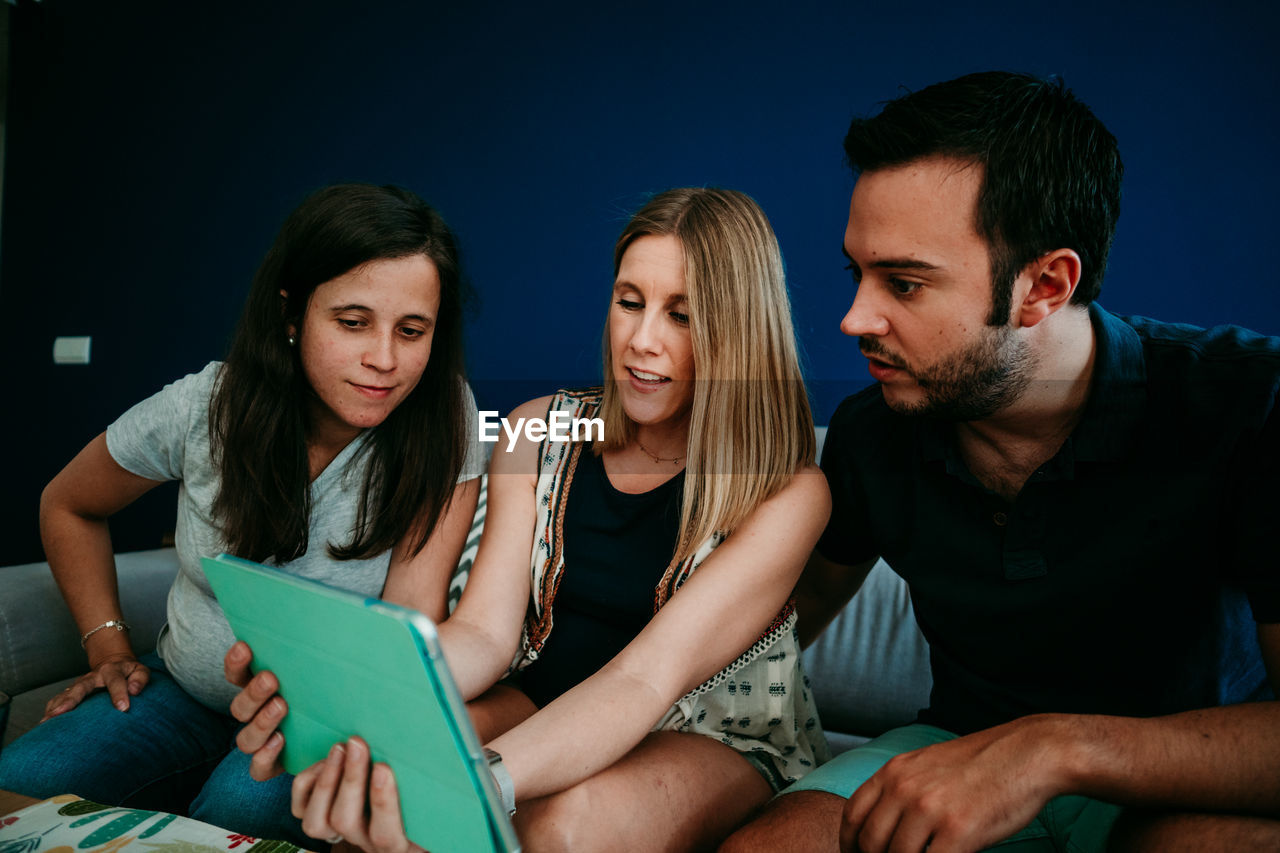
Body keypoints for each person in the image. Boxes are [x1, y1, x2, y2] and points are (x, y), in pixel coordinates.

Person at [722, 71, 1280, 853]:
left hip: (1175, 771)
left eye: (905, 283)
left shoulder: (1248, 403)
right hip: (951, 744)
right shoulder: (874, 432)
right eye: (859, 273)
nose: (853, 319)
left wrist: (1049, 748)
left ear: (1044, 285)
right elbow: (766, 623)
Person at [228, 186, 832, 851]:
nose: (642, 340)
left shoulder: (788, 489)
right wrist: (342, 694)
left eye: (682, 315)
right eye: (629, 302)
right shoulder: (539, 430)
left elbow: (647, 677)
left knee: (557, 829)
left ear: (737, 329)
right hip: (540, 699)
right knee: (388, 780)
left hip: (703, 732)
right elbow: (485, 633)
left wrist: (484, 780)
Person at [0, 183, 486, 846]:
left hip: (322, 719)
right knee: (27, 775)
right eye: (352, 322)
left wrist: (323, 722)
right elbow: (68, 502)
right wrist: (107, 643)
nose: (385, 360)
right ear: (292, 314)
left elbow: (406, 619)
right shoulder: (208, 406)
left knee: (240, 813)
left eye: (412, 330)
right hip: (180, 690)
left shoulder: (447, 418)